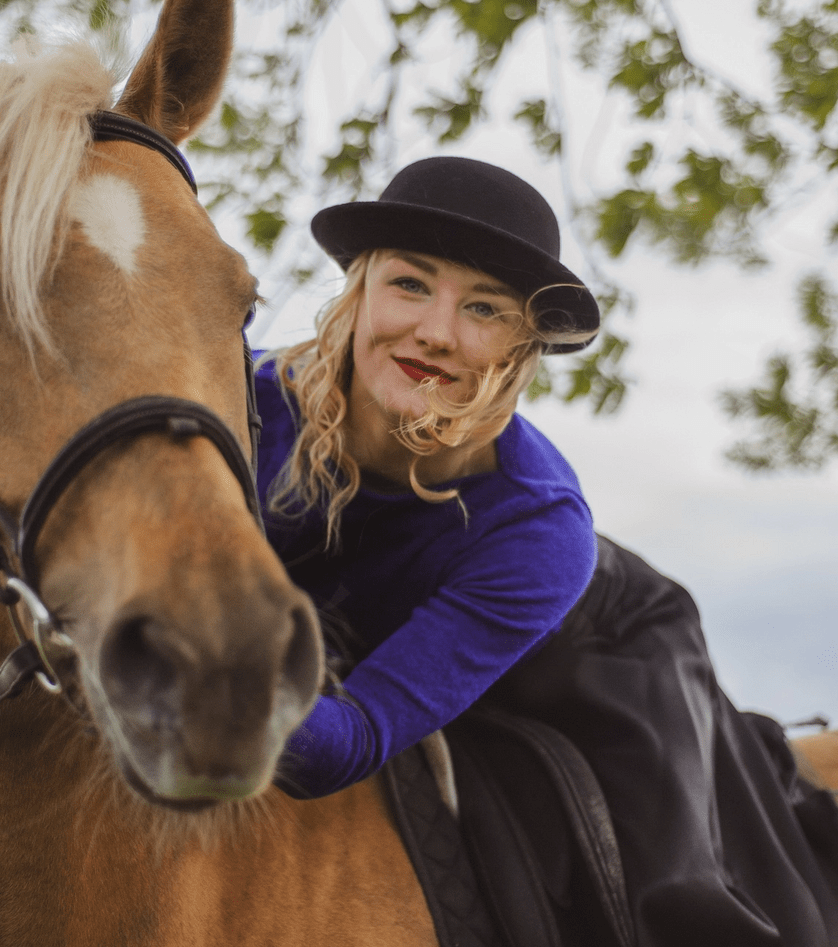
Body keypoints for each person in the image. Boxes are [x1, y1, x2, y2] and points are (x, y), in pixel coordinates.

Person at [254, 157, 838, 946]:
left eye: (484, 307)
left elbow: (353, 737)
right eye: (410, 284)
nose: (436, 331)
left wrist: (211, 703)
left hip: (598, 634)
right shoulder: (242, 407)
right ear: (358, 292)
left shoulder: (540, 538)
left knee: (680, 894)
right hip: (405, 611)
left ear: (523, 347)